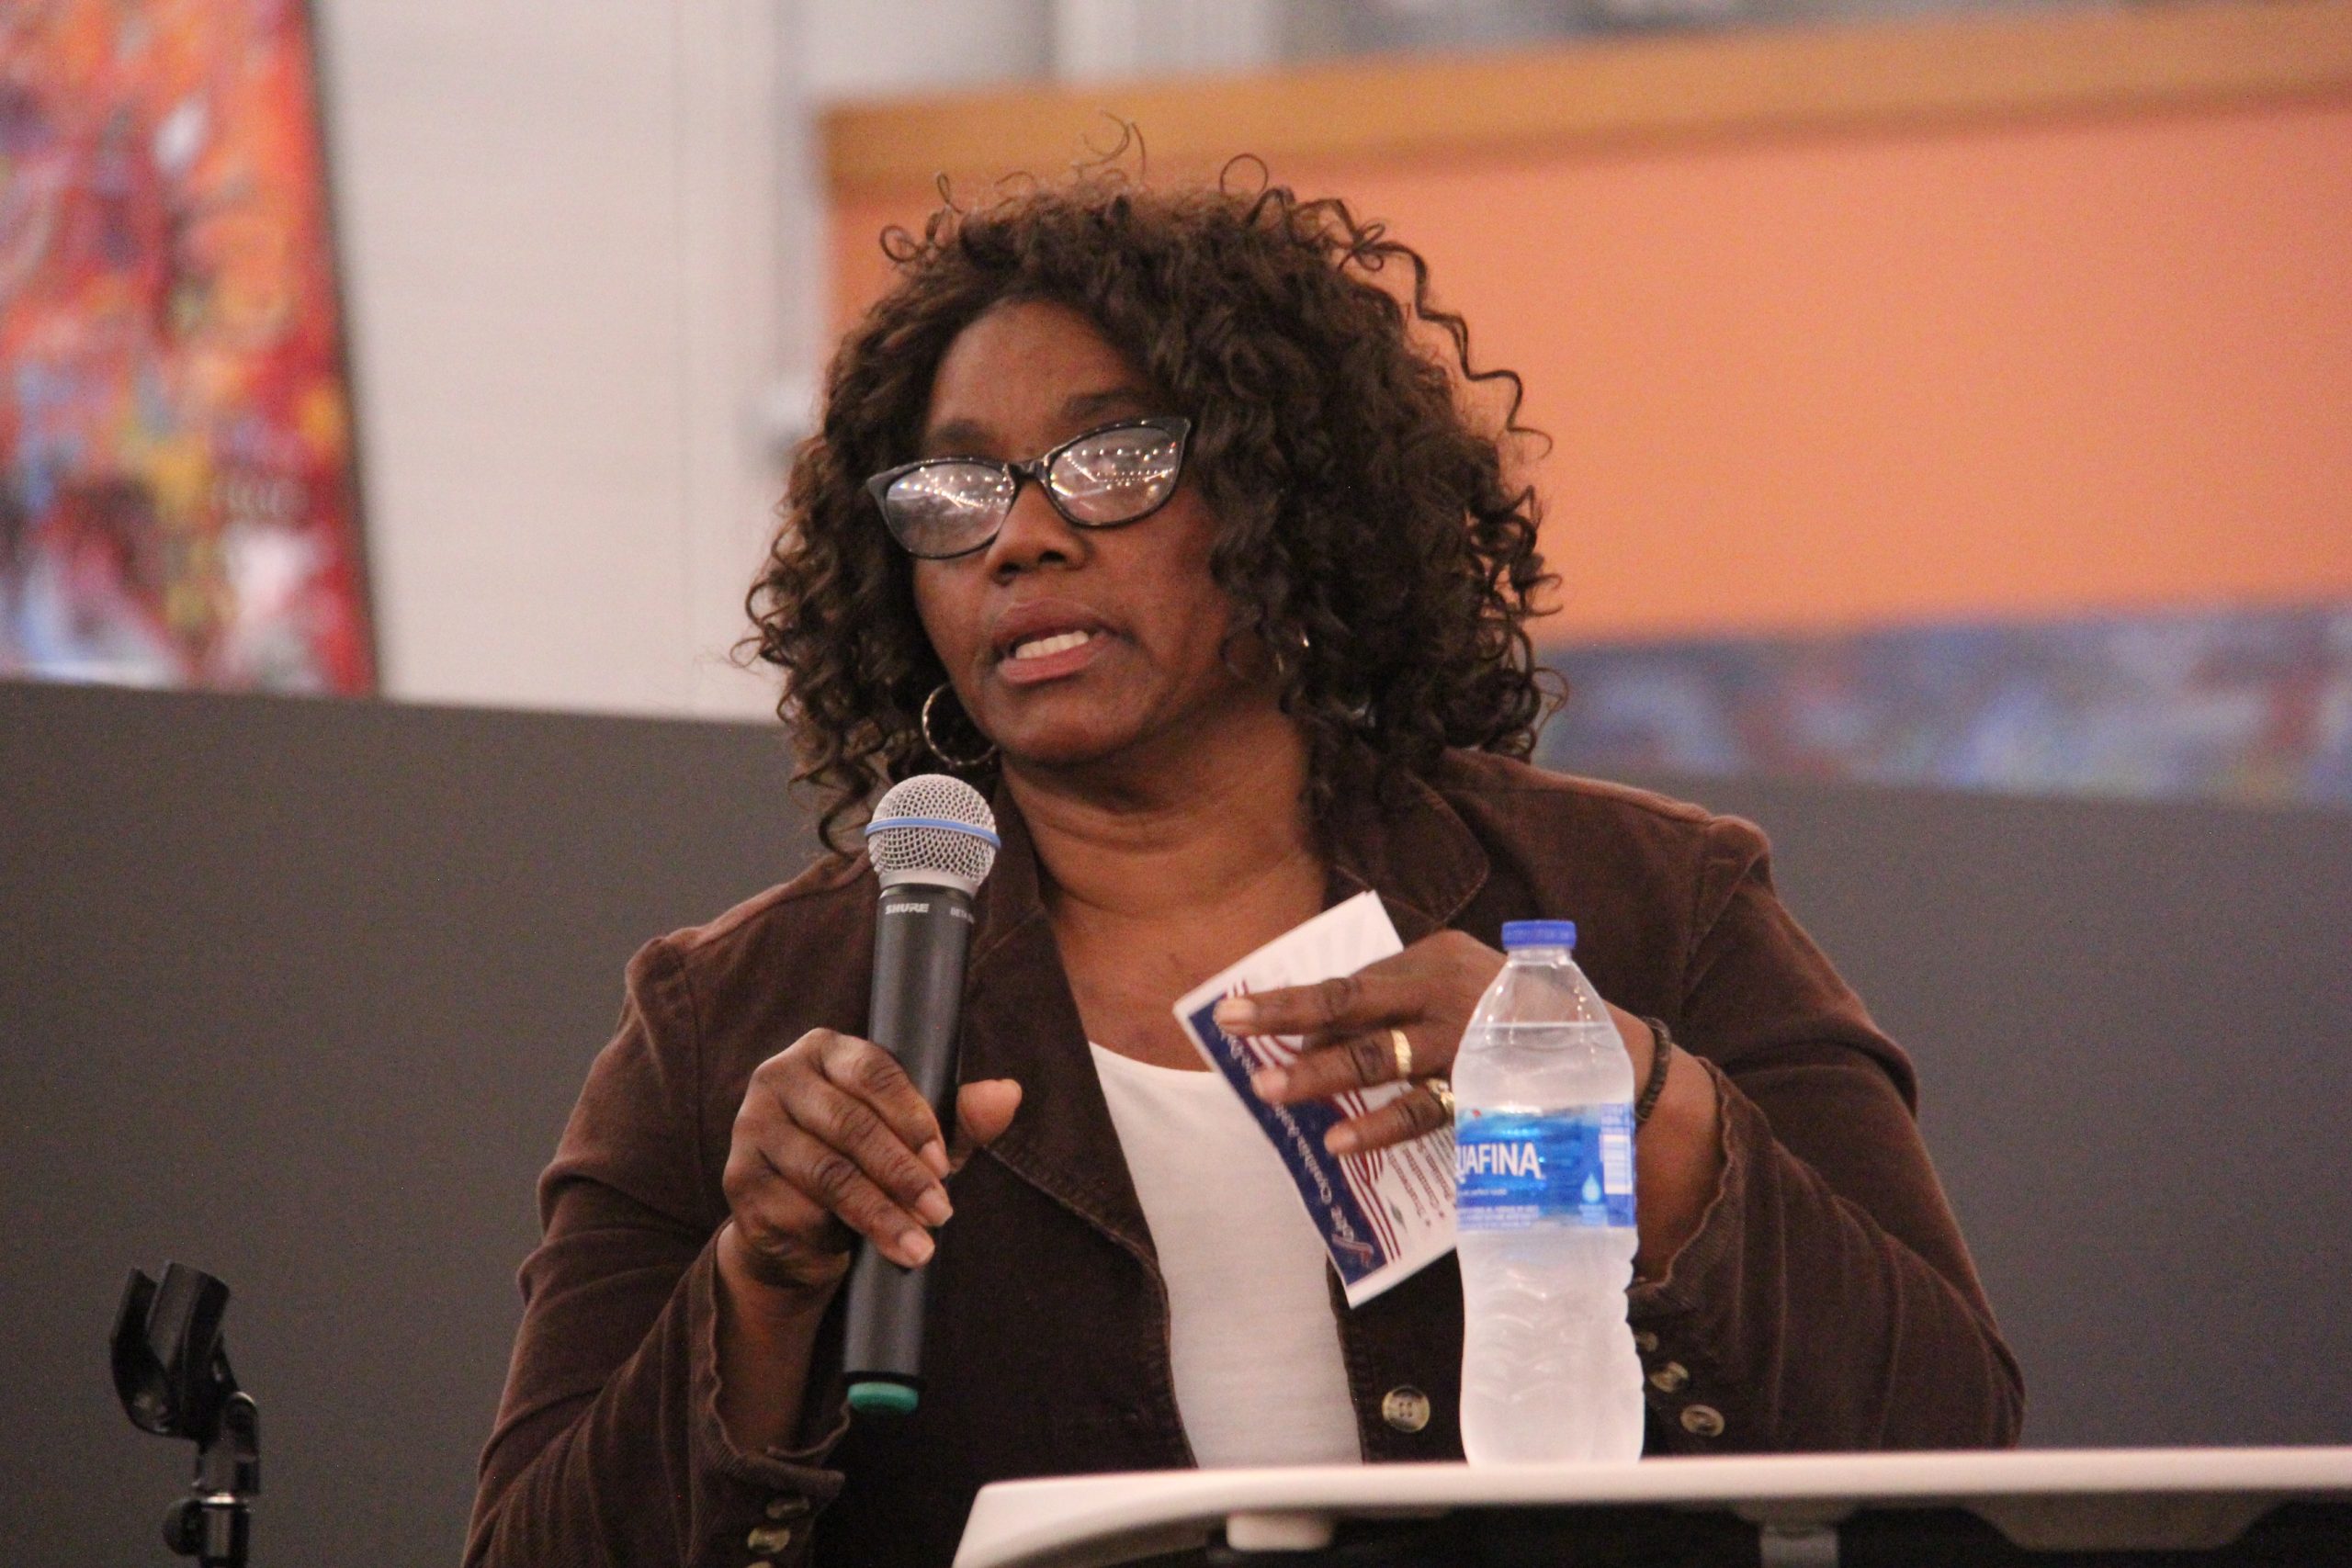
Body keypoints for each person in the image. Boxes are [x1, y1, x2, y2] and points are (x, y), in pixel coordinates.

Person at [466, 173, 2022, 1568]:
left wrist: (1621, 1093)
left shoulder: (1649, 903)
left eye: (1111, 458)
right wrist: (760, 1286)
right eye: (957, 493)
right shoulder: (738, 1024)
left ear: (1285, 493)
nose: (1020, 539)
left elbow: (1947, 1434)